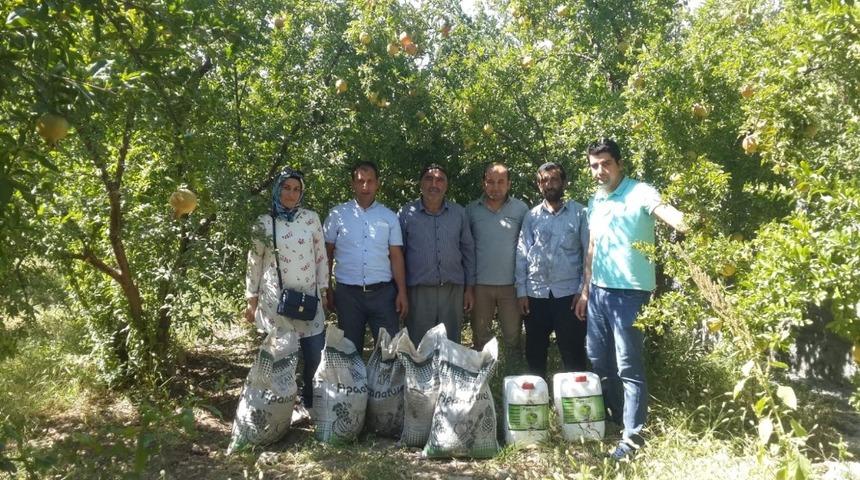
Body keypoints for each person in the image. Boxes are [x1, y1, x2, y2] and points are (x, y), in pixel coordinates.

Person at [574, 138, 688, 461]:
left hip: (630, 294)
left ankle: (633, 438)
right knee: (598, 359)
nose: (600, 171)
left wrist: (684, 223)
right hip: (598, 292)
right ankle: (617, 417)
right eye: (594, 165)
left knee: (628, 365)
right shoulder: (595, 199)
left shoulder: (640, 191)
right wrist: (585, 291)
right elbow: (592, 248)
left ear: (619, 164)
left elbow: (665, 212)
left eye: (606, 163)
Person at [244, 168, 328, 420]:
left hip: (308, 300)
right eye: (286, 187)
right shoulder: (264, 222)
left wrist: (324, 289)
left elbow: (321, 256)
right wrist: (251, 300)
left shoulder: (310, 218)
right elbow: (254, 262)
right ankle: (281, 407)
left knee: (314, 352)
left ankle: (311, 402)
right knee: (282, 355)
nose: (291, 194)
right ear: (277, 189)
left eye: (296, 189)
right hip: (275, 302)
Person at [323, 161, 408, 354]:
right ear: (352, 183)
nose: (365, 186)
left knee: (389, 352)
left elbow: (396, 257)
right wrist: (326, 287)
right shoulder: (337, 215)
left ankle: (387, 385)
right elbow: (326, 254)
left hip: (383, 295)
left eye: (370, 181)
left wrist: (402, 292)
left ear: (377, 183)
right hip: (348, 295)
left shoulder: (388, 216)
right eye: (360, 181)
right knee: (349, 352)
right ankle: (353, 385)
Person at [515, 162, 589, 379]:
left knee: (573, 351)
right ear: (539, 186)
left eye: (554, 179)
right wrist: (521, 291)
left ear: (564, 182)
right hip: (536, 294)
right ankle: (537, 403)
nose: (549, 184)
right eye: (544, 181)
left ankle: (576, 403)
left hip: (568, 296)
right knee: (535, 352)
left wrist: (582, 290)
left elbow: (588, 254)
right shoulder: (531, 216)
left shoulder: (580, 213)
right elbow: (522, 253)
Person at [399, 164, 476, 345]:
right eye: (429, 179)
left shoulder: (459, 213)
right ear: (420, 184)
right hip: (418, 292)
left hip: (452, 291)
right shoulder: (406, 214)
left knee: (450, 345)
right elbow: (397, 255)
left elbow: (468, 251)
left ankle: (448, 375)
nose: (434, 184)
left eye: (440, 180)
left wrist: (469, 289)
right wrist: (400, 291)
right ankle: (419, 375)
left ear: (446, 185)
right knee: (419, 347)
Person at [466, 163, 528, 352]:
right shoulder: (470, 210)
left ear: (509, 184)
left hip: (511, 285)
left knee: (512, 336)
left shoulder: (521, 209)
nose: (495, 187)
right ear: (483, 184)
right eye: (490, 182)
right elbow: (466, 249)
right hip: (480, 285)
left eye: (501, 182)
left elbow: (527, 246)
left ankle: (513, 372)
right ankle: (482, 373)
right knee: (480, 336)